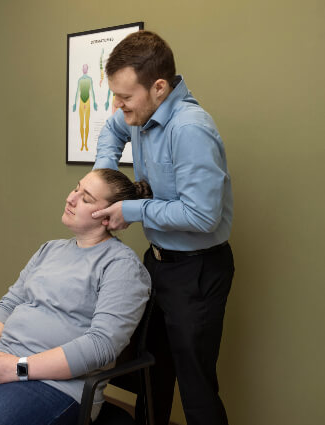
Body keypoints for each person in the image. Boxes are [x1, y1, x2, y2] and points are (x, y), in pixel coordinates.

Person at [0, 169, 152, 425]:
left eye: (85, 198)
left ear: (108, 216)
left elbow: (101, 346)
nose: (71, 198)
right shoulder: (50, 250)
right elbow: (8, 304)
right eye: (76, 188)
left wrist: (17, 368)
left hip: (54, 386)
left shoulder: (122, 266)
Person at [92, 30, 235, 425]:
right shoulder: (139, 113)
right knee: (149, 372)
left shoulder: (190, 129)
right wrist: (104, 178)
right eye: (115, 97)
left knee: (196, 387)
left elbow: (202, 215)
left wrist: (132, 210)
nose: (118, 107)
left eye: (124, 97)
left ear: (159, 87)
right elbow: (111, 131)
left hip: (197, 271)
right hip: (156, 264)